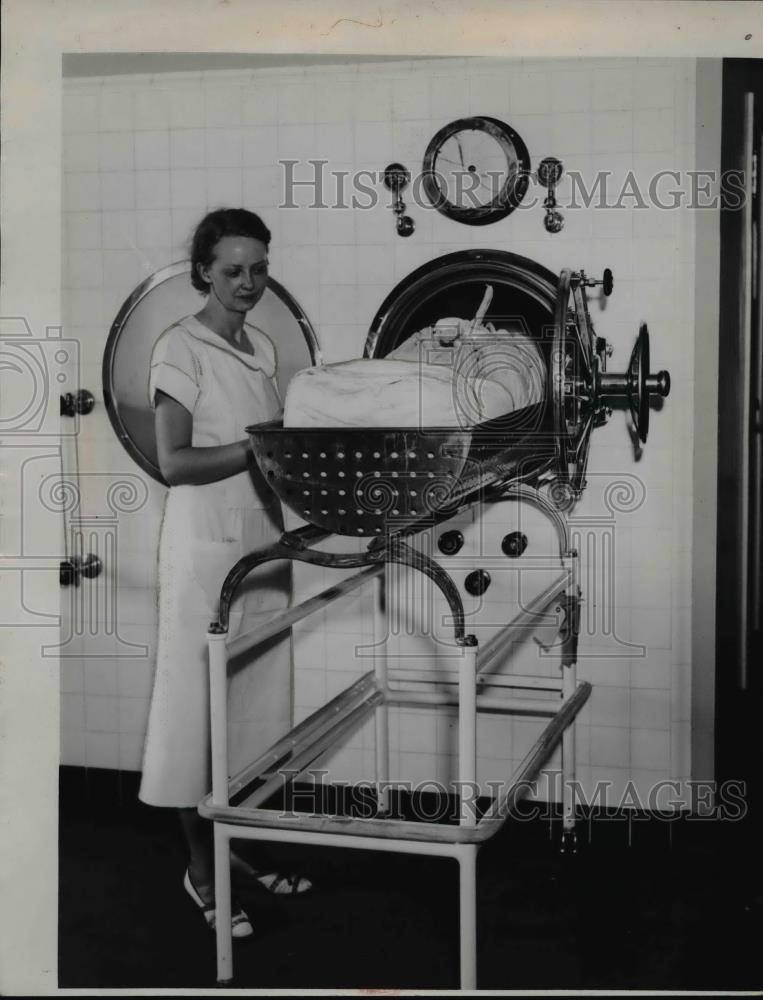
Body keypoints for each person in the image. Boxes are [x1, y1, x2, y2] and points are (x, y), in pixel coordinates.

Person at [139, 208, 310, 940]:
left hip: (262, 547)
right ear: (202, 269)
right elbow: (175, 463)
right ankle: (200, 874)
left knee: (255, 710)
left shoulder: (264, 347)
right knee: (193, 714)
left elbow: (268, 462)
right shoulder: (180, 348)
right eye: (233, 270)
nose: (248, 283)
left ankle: (236, 846)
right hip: (204, 549)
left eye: (259, 269)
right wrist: (260, 447)